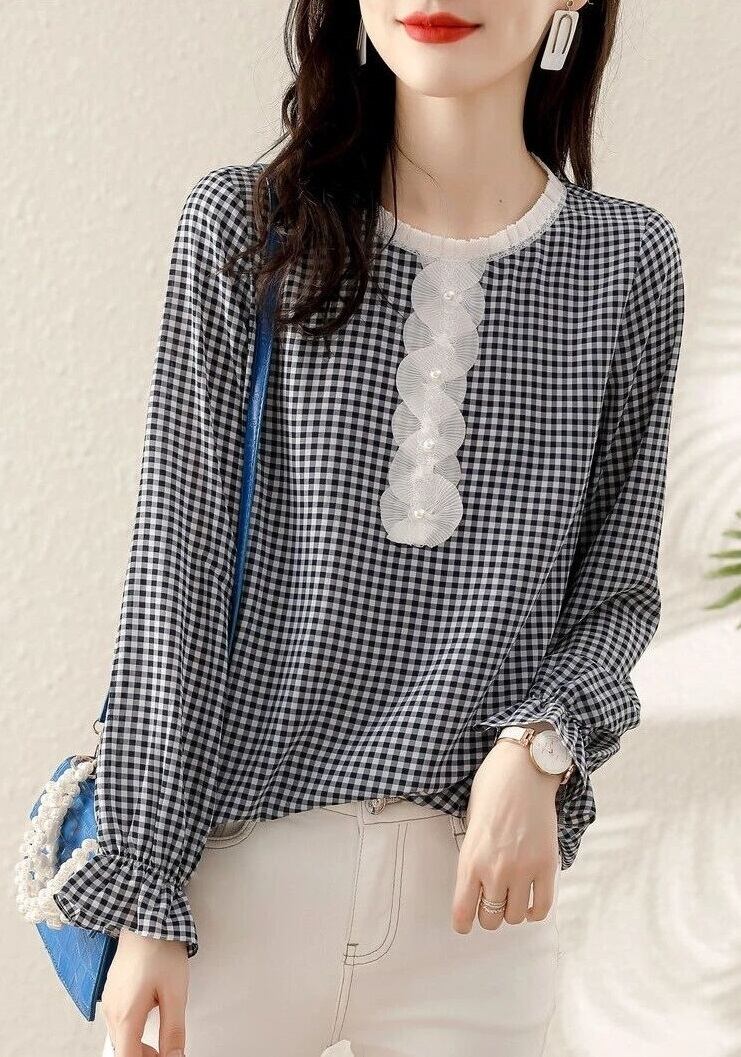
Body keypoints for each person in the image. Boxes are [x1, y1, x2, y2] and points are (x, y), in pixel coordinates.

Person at [51, 1, 685, 1055]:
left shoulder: (625, 261)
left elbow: (615, 587)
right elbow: (173, 580)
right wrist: (145, 885)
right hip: (229, 892)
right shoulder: (246, 227)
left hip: (475, 910)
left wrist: (540, 746)